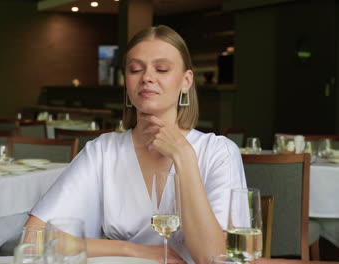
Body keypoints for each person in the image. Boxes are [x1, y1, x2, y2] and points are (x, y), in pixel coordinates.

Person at [26, 25, 246, 264]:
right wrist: (135, 251)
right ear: (127, 83)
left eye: (161, 69)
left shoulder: (219, 152)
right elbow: (33, 239)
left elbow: (214, 259)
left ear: (186, 80)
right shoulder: (103, 151)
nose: (147, 77)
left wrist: (184, 156)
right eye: (135, 69)